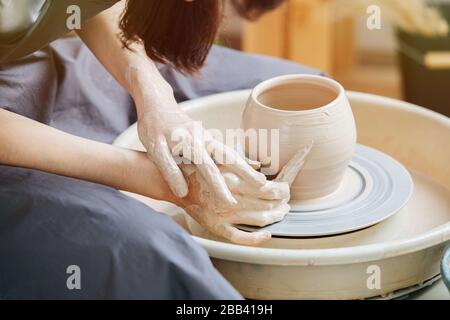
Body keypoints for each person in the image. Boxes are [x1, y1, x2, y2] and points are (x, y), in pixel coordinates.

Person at [0, 0, 322, 299]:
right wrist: (148, 177)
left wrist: (151, 90)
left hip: (42, 64)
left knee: (302, 87)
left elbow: (84, 6)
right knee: (150, 253)